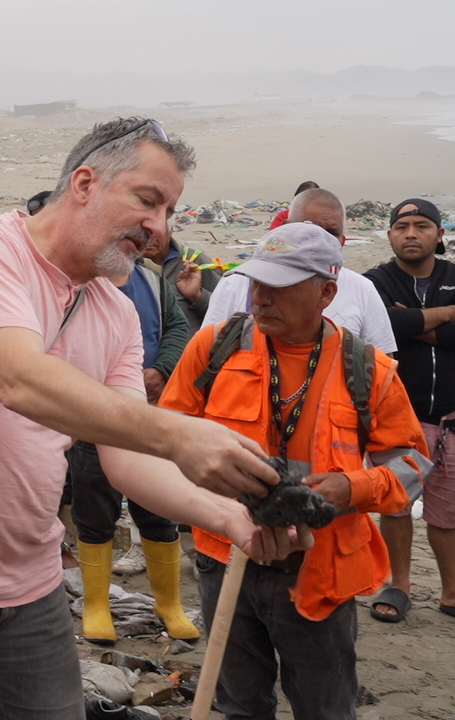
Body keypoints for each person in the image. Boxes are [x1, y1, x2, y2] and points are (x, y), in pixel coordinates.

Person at [0, 117, 302, 720]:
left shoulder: (115, 313)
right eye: (148, 200)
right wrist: (179, 431)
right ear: (85, 182)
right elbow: (22, 379)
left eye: (169, 212)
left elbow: (126, 454)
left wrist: (229, 515)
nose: (159, 228)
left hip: (31, 578)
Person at [160, 222, 428, 720]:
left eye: (279, 287)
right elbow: (169, 434)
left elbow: (412, 465)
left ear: (327, 291)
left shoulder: (369, 369)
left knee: (324, 707)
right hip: (225, 556)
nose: (259, 298)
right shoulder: (214, 349)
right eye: (255, 283)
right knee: (239, 704)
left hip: (319, 570)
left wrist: (352, 488)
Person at [71, 252, 197, 644]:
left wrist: (162, 367)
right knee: (94, 509)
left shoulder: (152, 279)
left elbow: (176, 327)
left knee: (159, 510)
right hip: (92, 416)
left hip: (149, 415)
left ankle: (169, 603)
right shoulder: (79, 277)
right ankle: (96, 605)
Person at [364, 198, 455, 622]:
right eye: (402, 226)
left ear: (440, 234)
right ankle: (398, 585)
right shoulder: (375, 282)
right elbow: (383, 326)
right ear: (390, 236)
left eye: (422, 225)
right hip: (399, 417)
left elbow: (402, 326)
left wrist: (414, 322)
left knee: (446, 509)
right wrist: (447, 318)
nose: (411, 233)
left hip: (453, 419)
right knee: (395, 504)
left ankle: (451, 591)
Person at [203, 187, 397, 353]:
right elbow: (207, 353)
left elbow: (382, 368)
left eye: (331, 233)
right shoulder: (236, 282)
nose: (320, 241)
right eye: (308, 228)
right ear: (285, 228)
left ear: (327, 293)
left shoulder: (361, 288)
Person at [142, 230, 222, 333]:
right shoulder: (122, 265)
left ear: (170, 231)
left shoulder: (195, 262)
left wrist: (197, 296)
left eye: (154, 233)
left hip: (188, 346)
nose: (147, 240)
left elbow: (226, 312)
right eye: (141, 233)